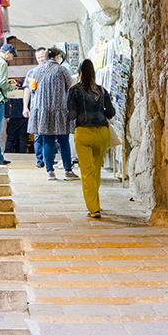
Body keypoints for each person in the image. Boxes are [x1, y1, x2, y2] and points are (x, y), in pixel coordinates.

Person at [68, 58, 116, 218]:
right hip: (101, 133)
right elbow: (111, 112)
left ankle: (94, 208)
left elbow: (72, 114)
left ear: (80, 73)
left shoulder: (74, 90)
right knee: (96, 170)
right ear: (94, 73)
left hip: (83, 133)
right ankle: (95, 201)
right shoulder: (102, 90)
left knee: (87, 172)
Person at [28, 48, 75, 180]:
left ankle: (50, 171)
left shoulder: (36, 70)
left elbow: (32, 90)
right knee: (63, 142)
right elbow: (70, 87)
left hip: (43, 111)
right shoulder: (62, 70)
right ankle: (68, 170)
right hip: (60, 110)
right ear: (57, 56)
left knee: (47, 141)